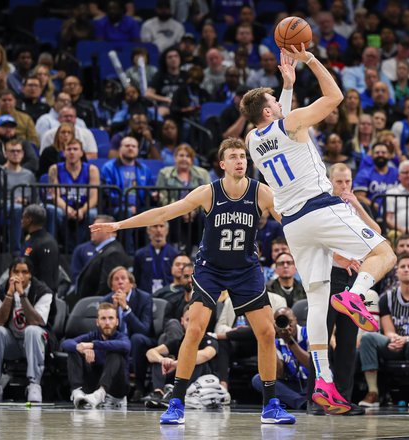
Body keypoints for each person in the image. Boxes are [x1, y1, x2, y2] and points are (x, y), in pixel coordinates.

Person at [89, 137, 296, 425]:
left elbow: (291, 223)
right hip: (211, 269)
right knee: (195, 330)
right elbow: (163, 213)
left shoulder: (261, 193)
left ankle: (271, 405)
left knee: (267, 333)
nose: (240, 161)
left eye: (243, 156)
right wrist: (119, 225)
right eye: (234, 157)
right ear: (222, 164)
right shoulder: (208, 192)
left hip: (246, 269)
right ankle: (176, 402)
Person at [241, 44, 397, 414]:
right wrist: (310, 60)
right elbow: (335, 96)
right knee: (383, 253)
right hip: (319, 208)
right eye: (274, 101)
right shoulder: (290, 124)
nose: (280, 103)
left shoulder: (252, 140)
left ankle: (324, 381)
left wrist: (288, 86)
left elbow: (282, 120)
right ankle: (357, 295)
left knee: (316, 299)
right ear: (268, 110)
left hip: (293, 225)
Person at [358, 253, 409, 408]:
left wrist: (405, 339)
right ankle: (373, 392)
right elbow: (388, 330)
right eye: (402, 267)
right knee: (368, 337)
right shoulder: (386, 298)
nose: (406, 270)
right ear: (397, 272)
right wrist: (394, 338)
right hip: (394, 343)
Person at [0, 257, 53, 403]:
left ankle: (34, 384)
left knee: (32, 330)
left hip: (36, 343)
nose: (20, 276)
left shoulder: (43, 291)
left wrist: (22, 295)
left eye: (24, 272)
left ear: (30, 275)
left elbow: (37, 321)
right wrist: (9, 295)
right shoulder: (0, 290)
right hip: (12, 342)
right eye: (16, 271)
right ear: (10, 274)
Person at [62, 302, 131, 408]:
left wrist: (93, 345)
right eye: (103, 318)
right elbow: (66, 343)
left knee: (115, 351)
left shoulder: (121, 337)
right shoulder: (93, 335)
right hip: (93, 385)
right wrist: (82, 350)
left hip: (116, 389)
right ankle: (77, 392)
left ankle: (101, 393)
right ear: (97, 322)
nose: (107, 322)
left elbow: (126, 346)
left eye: (111, 318)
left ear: (117, 322)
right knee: (74, 350)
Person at [101, 267, 153, 402]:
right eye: (116, 279)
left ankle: (140, 387)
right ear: (111, 286)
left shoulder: (144, 298)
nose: (120, 282)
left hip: (141, 342)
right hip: (120, 341)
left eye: (123, 278)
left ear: (131, 283)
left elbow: (143, 330)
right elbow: (104, 331)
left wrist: (126, 308)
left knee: (136, 339)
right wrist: (112, 311)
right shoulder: (106, 301)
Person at [252, 306, 309, 410]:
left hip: (311, 382)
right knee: (258, 379)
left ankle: (294, 401)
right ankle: (301, 402)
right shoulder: (277, 342)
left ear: (295, 320)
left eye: (289, 321)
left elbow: (311, 365)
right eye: (281, 322)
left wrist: (290, 342)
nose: (287, 325)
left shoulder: (308, 333)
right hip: (291, 384)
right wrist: (270, 338)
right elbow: (279, 373)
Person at [21, 204, 60, 292]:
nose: (21, 220)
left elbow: (47, 278)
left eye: (23, 217)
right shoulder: (30, 238)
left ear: (29, 220)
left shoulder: (47, 243)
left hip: (41, 296)